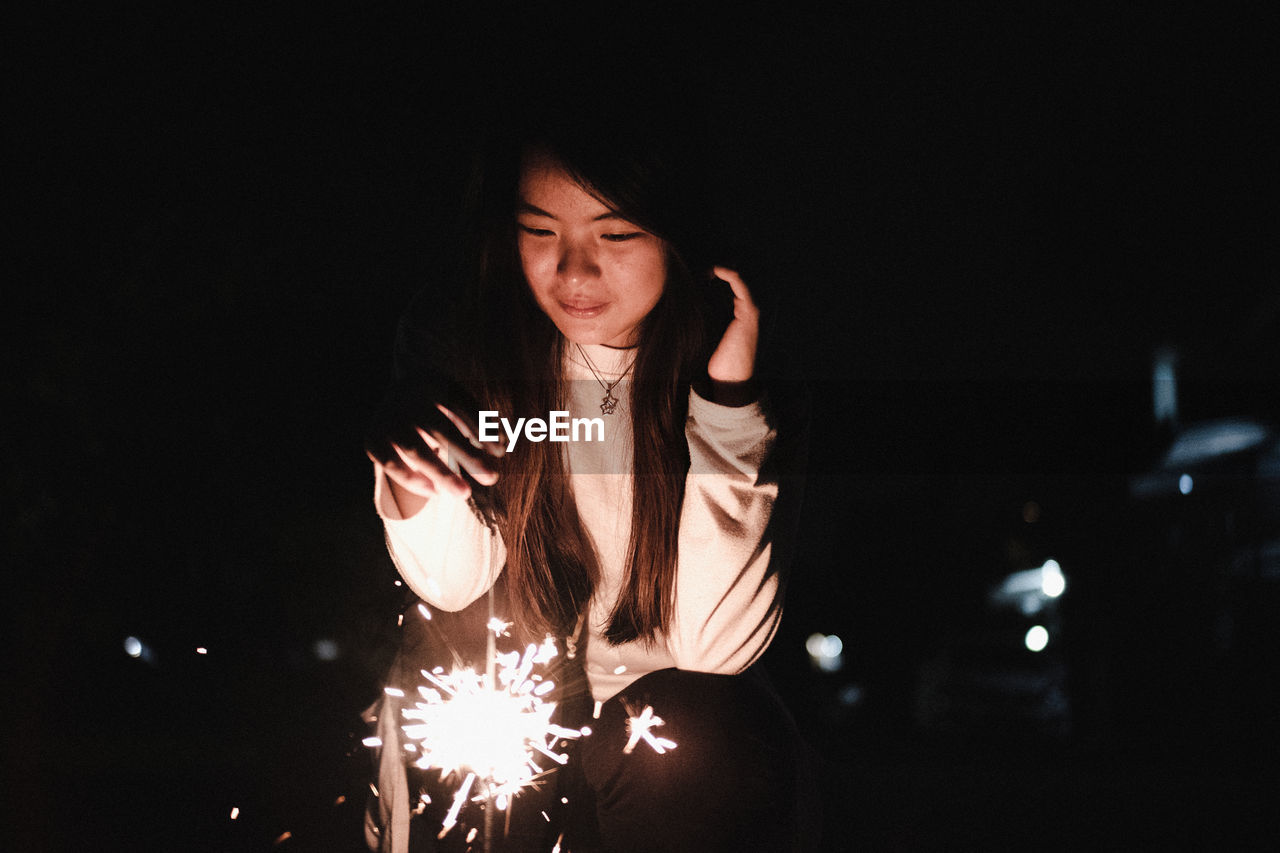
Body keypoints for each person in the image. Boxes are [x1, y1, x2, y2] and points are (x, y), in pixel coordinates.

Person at [362, 84, 813, 852]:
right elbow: (450, 583)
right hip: (502, 723)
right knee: (477, 741)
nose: (574, 270)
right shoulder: (474, 343)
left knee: (698, 735)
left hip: (672, 759)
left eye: (617, 234)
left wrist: (729, 406)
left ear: (677, 233)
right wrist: (412, 469)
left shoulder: (734, 363)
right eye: (539, 230)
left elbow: (715, 650)